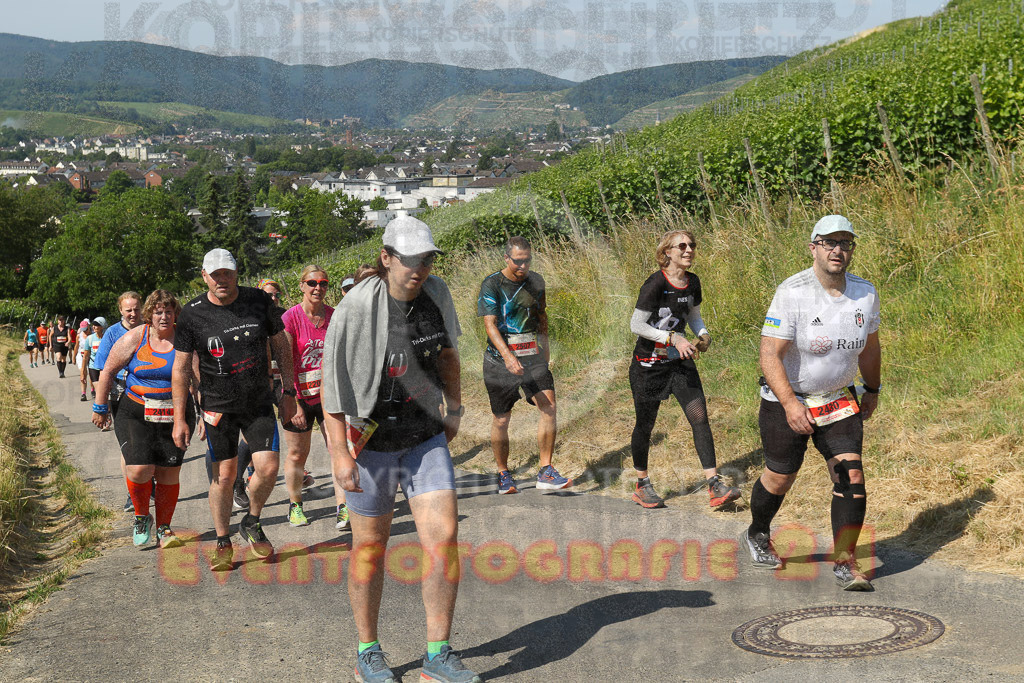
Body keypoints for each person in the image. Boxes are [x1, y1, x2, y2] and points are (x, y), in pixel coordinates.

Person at [322, 216, 480, 683]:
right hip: (370, 444)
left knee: (444, 540)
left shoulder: (438, 295)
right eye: (410, 259)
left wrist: (453, 407)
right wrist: (338, 455)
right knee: (370, 547)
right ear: (386, 257)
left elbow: (449, 353)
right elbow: (333, 390)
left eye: (427, 259)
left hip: (423, 438)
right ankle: (367, 651)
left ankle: (438, 653)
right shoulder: (355, 306)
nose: (419, 268)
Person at [743, 215, 881, 592]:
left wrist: (872, 388)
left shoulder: (865, 293)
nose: (838, 250)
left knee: (851, 474)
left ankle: (845, 561)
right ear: (813, 247)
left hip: (838, 399)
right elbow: (770, 354)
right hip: (787, 400)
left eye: (846, 244)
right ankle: (757, 532)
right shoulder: (793, 292)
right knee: (780, 476)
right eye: (829, 243)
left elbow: (870, 346)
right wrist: (790, 404)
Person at [172, 249, 296, 571]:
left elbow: (281, 345)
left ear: (236, 273)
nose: (221, 279)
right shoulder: (191, 314)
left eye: (226, 272)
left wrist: (288, 391)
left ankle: (252, 521)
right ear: (204, 276)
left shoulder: (259, 301)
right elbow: (181, 367)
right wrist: (179, 418)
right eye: (215, 274)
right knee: (224, 477)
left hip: (258, 402)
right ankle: (223, 541)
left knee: (267, 470)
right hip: (218, 408)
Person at [627, 230, 740, 509]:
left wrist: (703, 334)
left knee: (699, 416)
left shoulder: (693, 282)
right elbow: (636, 326)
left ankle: (714, 485)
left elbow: (693, 315)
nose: (689, 249)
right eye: (682, 246)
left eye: (692, 245)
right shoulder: (654, 284)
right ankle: (642, 484)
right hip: (649, 365)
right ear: (667, 252)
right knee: (646, 424)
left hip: (679, 360)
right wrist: (672, 338)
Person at [92, 290, 196, 548]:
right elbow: (107, 371)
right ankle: (141, 516)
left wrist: (205, 414)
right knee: (139, 469)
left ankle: (164, 528)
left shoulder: (185, 339)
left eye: (169, 311)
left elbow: (197, 380)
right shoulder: (136, 337)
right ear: (149, 314)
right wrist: (100, 406)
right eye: (158, 311)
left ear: (175, 314)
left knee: (168, 473)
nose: (163, 317)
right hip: (135, 412)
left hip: (176, 412)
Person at [478, 236, 570, 495]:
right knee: (502, 418)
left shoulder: (536, 281)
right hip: (499, 361)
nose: (523, 266)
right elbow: (490, 324)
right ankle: (503, 473)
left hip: (533, 357)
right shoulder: (492, 283)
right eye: (518, 261)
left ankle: (545, 470)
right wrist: (508, 357)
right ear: (507, 258)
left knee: (549, 406)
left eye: (527, 260)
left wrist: (546, 349)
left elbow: (542, 315)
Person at [281, 265, 349, 530]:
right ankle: (295, 505)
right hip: (299, 395)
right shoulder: (290, 318)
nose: (317, 288)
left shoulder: (335, 316)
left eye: (323, 283)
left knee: (337, 449)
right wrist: (294, 400)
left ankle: (343, 507)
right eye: (312, 283)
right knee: (298, 454)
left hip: (328, 396)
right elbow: (285, 362)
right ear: (302, 286)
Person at [94, 292, 144, 512]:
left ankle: (147, 481)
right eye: (128, 310)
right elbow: (101, 369)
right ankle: (131, 493)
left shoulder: (151, 328)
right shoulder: (113, 333)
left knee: (150, 444)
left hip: (151, 395)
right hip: (121, 395)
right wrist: (100, 406)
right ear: (121, 311)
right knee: (130, 447)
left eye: (136, 309)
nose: (133, 314)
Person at [80, 317, 108, 403]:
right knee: (99, 389)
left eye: (97, 325)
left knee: (105, 390)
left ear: (102, 326)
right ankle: (101, 409)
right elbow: (85, 356)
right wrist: (83, 372)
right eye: (93, 325)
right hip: (93, 367)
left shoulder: (108, 338)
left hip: (105, 367)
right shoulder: (90, 338)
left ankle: (107, 408)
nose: (94, 327)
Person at [75, 319, 91, 400]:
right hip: (81, 357)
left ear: (89, 327)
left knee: (91, 375)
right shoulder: (79, 336)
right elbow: (76, 347)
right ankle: (83, 394)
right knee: (83, 373)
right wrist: (73, 357)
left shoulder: (93, 335)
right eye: (83, 330)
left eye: (86, 329)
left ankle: (93, 390)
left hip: (91, 357)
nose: (85, 331)